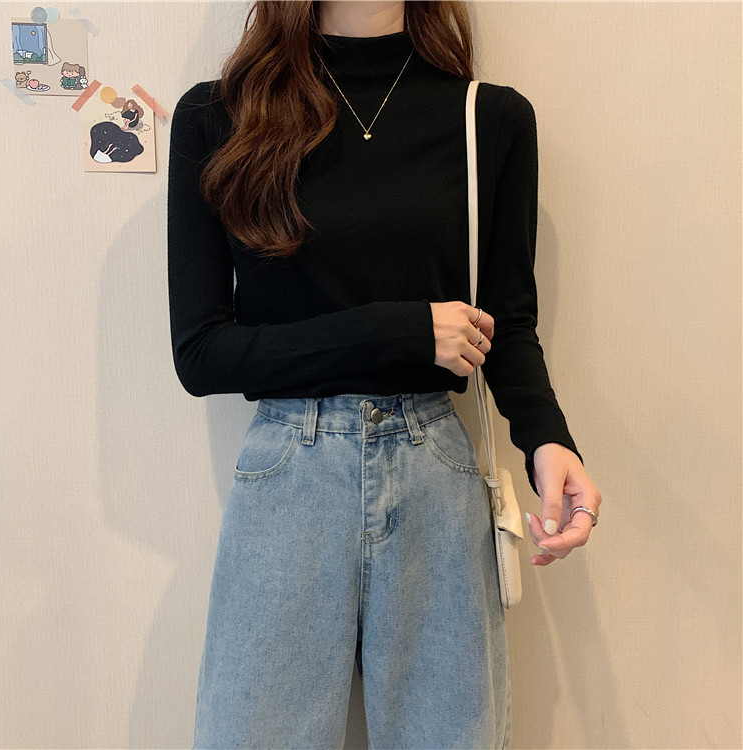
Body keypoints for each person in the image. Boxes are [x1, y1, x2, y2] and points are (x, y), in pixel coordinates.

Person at [167, 1, 602, 748]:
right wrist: (399, 330)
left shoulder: (485, 120)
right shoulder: (221, 116)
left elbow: (505, 322)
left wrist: (548, 441)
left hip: (433, 470)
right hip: (288, 472)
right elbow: (202, 353)